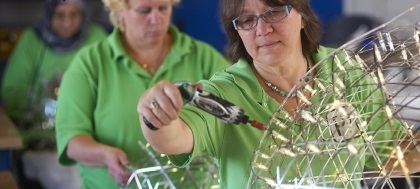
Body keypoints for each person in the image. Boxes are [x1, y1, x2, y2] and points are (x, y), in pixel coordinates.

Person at [137, 0, 420, 188]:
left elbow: (388, 152)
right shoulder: (224, 91)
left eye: (274, 11)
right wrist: (155, 115)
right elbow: (174, 139)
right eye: (246, 20)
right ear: (238, 33)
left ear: (301, 16)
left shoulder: (344, 71)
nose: (262, 29)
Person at [54, 0, 230, 188]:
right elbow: (71, 139)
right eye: (144, 10)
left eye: (163, 8)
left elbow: (235, 108)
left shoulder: (203, 57)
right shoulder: (90, 63)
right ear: (119, 11)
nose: (156, 19)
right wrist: (104, 155)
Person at [1, 0, 108, 189]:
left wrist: (76, 92)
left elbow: (109, 86)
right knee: (74, 181)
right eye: (60, 15)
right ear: (49, 15)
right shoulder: (32, 41)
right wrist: (46, 95)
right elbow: (12, 94)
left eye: (74, 14)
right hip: (42, 142)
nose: (67, 22)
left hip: (90, 136)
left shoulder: (96, 37)